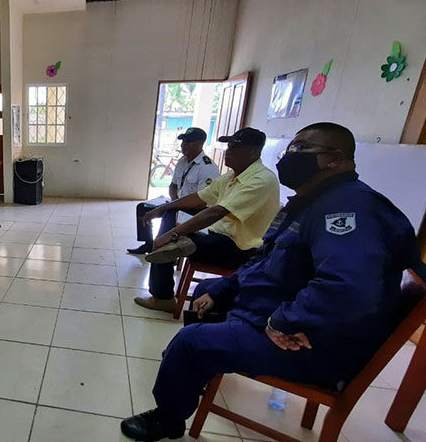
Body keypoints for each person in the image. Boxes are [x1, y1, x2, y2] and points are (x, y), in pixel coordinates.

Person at [120, 122, 420, 441]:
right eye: (290, 147)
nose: (290, 155)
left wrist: (281, 322)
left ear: (335, 159)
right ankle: (200, 365)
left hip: (312, 344)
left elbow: (348, 287)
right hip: (280, 311)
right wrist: (225, 287)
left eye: (302, 148)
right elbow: (266, 258)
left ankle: (169, 417)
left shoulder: (349, 209)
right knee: (207, 293)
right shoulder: (312, 202)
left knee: (188, 342)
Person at [135, 127, 279, 313]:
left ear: (253, 152)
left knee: (170, 239)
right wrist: (162, 209)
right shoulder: (232, 175)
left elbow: (215, 212)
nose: (228, 152)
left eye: (235, 148)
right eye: (228, 147)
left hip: (238, 248)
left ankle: (163, 296)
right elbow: (199, 197)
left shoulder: (261, 180)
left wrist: (173, 233)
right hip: (216, 233)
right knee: (171, 214)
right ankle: (176, 245)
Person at [128, 127, 220, 254]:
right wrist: (175, 201)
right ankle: (148, 244)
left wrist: (175, 206)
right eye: (183, 141)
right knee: (143, 208)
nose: (184, 145)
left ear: (200, 143)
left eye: (189, 142)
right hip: (178, 203)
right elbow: (173, 186)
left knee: (169, 215)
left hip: (196, 211)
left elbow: (202, 202)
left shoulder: (207, 168)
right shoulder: (182, 161)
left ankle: (163, 250)